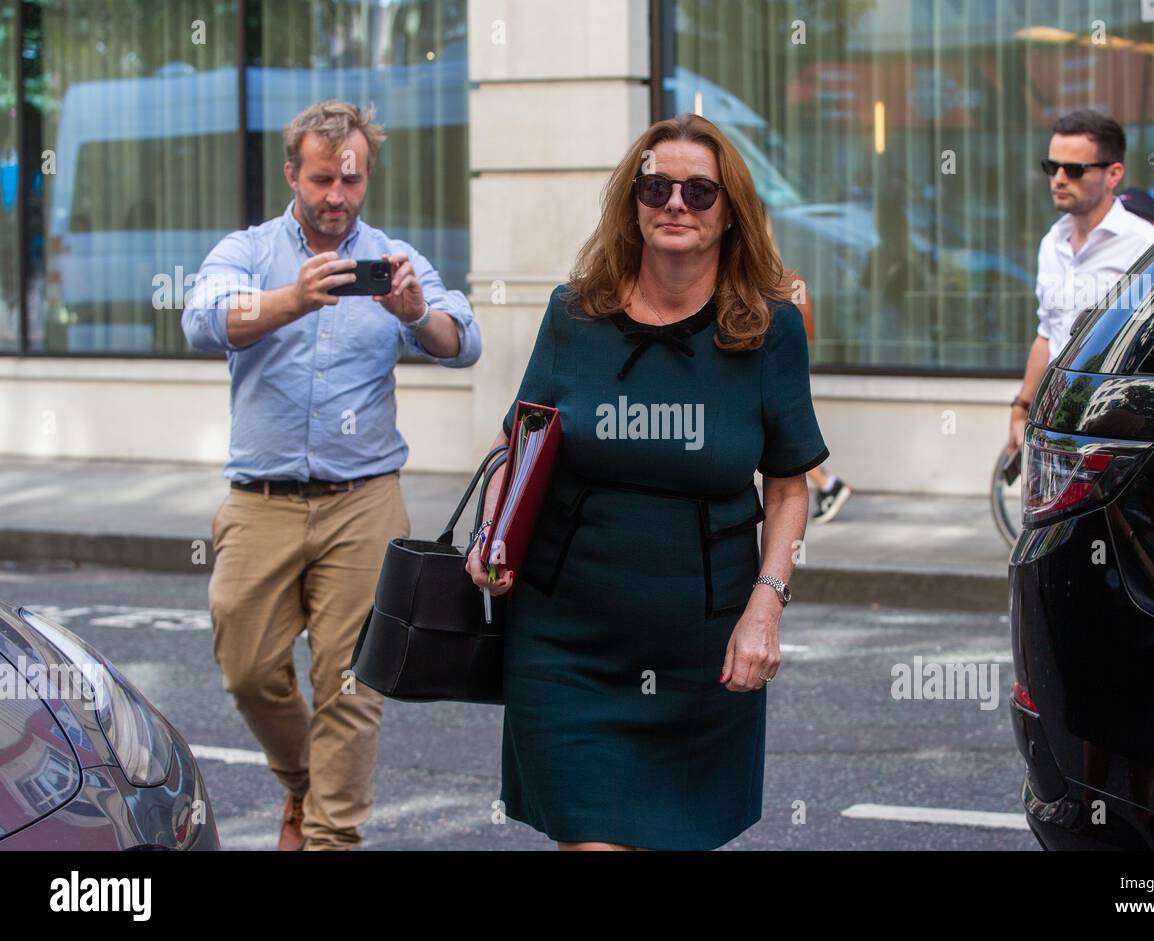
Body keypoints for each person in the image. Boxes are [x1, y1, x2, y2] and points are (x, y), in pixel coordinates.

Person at [467, 113, 828, 851]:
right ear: (632, 203)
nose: (676, 204)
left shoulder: (769, 330)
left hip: (702, 645)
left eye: (700, 192)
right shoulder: (574, 314)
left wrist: (768, 605)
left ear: (730, 214)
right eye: (657, 186)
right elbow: (522, 440)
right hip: (566, 640)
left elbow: (790, 486)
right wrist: (489, 533)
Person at [182, 100, 481, 850]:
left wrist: (415, 314)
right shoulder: (249, 250)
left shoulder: (393, 259)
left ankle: (328, 837)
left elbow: (463, 339)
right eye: (321, 178)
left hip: (365, 502)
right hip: (262, 499)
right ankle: (302, 783)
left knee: (353, 685)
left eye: (350, 180)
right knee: (247, 667)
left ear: (366, 177)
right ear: (293, 173)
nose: (336, 196)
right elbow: (200, 318)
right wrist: (293, 297)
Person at [1008, 111, 1154, 456]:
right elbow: (1048, 333)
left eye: (1074, 170)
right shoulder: (1053, 241)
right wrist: (1020, 407)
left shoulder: (1147, 247)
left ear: (1113, 174)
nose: (1059, 179)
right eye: (1052, 167)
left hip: (1118, 432)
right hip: (1057, 422)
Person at [762, 205, 852, 524]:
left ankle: (828, 483)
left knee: (783, 434)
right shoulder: (784, 278)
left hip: (771, 368)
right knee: (784, 433)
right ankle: (828, 484)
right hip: (786, 366)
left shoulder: (769, 280)